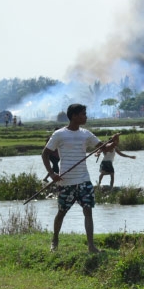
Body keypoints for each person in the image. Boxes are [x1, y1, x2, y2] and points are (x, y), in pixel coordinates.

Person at [42, 103, 118, 253]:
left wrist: (114, 142)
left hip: (84, 179)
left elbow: (103, 148)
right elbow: (45, 154)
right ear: (74, 116)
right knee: (62, 212)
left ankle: (91, 246)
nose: (86, 116)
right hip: (66, 182)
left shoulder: (86, 134)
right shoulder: (59, 134)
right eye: (83, 114)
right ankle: (55, 239)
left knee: (88, 211)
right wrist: (51, 174)